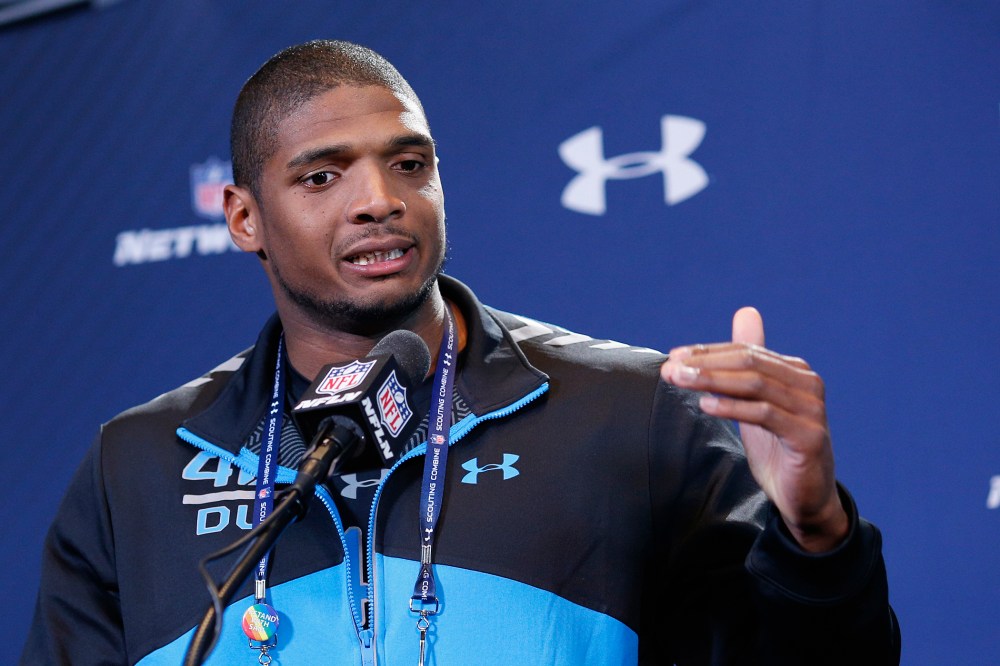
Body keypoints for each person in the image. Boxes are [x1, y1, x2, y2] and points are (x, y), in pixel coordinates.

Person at [21, 40, 900, 665]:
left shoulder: (629, 412)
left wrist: (816, 537)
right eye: (322, 176)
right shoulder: (136, 466)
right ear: (244, 216)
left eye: (408, 163)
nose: (379, 200)